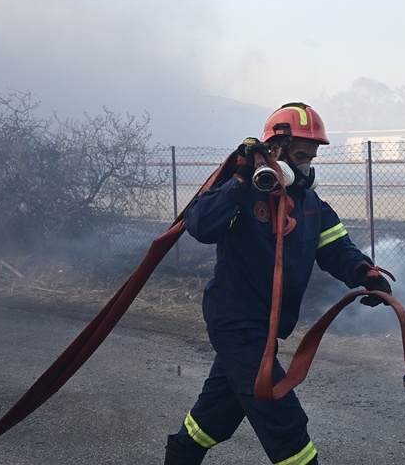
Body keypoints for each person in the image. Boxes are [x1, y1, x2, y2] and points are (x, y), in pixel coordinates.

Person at [164, 102, 393, 465]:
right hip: (235, 322)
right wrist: (240, 178)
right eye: (300, 155)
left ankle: (182, 451)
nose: (305, 167)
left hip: (267, 330)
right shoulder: (242, 193)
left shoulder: (310, 204)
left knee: (213, 416)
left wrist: (366, 273)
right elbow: (200, 226)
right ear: (275, 150)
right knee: (281, 417)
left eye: (312, 157)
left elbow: (337, 247)